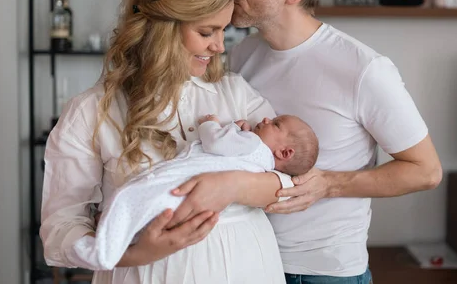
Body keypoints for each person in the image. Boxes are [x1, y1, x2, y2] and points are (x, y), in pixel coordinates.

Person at [40, 0, 295, 284]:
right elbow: (60, 226)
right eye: (207, 32)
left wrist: (230, 185)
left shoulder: (235, 93)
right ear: (163, 28)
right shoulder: (91, 111)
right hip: (142, 273)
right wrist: (135, 254)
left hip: (248, 267)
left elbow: (289, 184)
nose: (219, 46)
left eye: (223, 31)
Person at [226, 0, 443, 283]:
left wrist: (330, 183)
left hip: (324, 274)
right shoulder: (241, 55)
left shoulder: (364, 69)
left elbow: (426, 171)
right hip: (247, 261)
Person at [72, 113, 319, 270]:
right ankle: (116, 240)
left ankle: (104, 248)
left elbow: (216, 142)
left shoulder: (254, 144)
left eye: (275, 124)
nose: (266, 119)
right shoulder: (261, 162)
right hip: (198, 216)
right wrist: (238, 131)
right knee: (142, 208)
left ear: (285, 153)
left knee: (131, 199)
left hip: (182, 187)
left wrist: (211, 124)